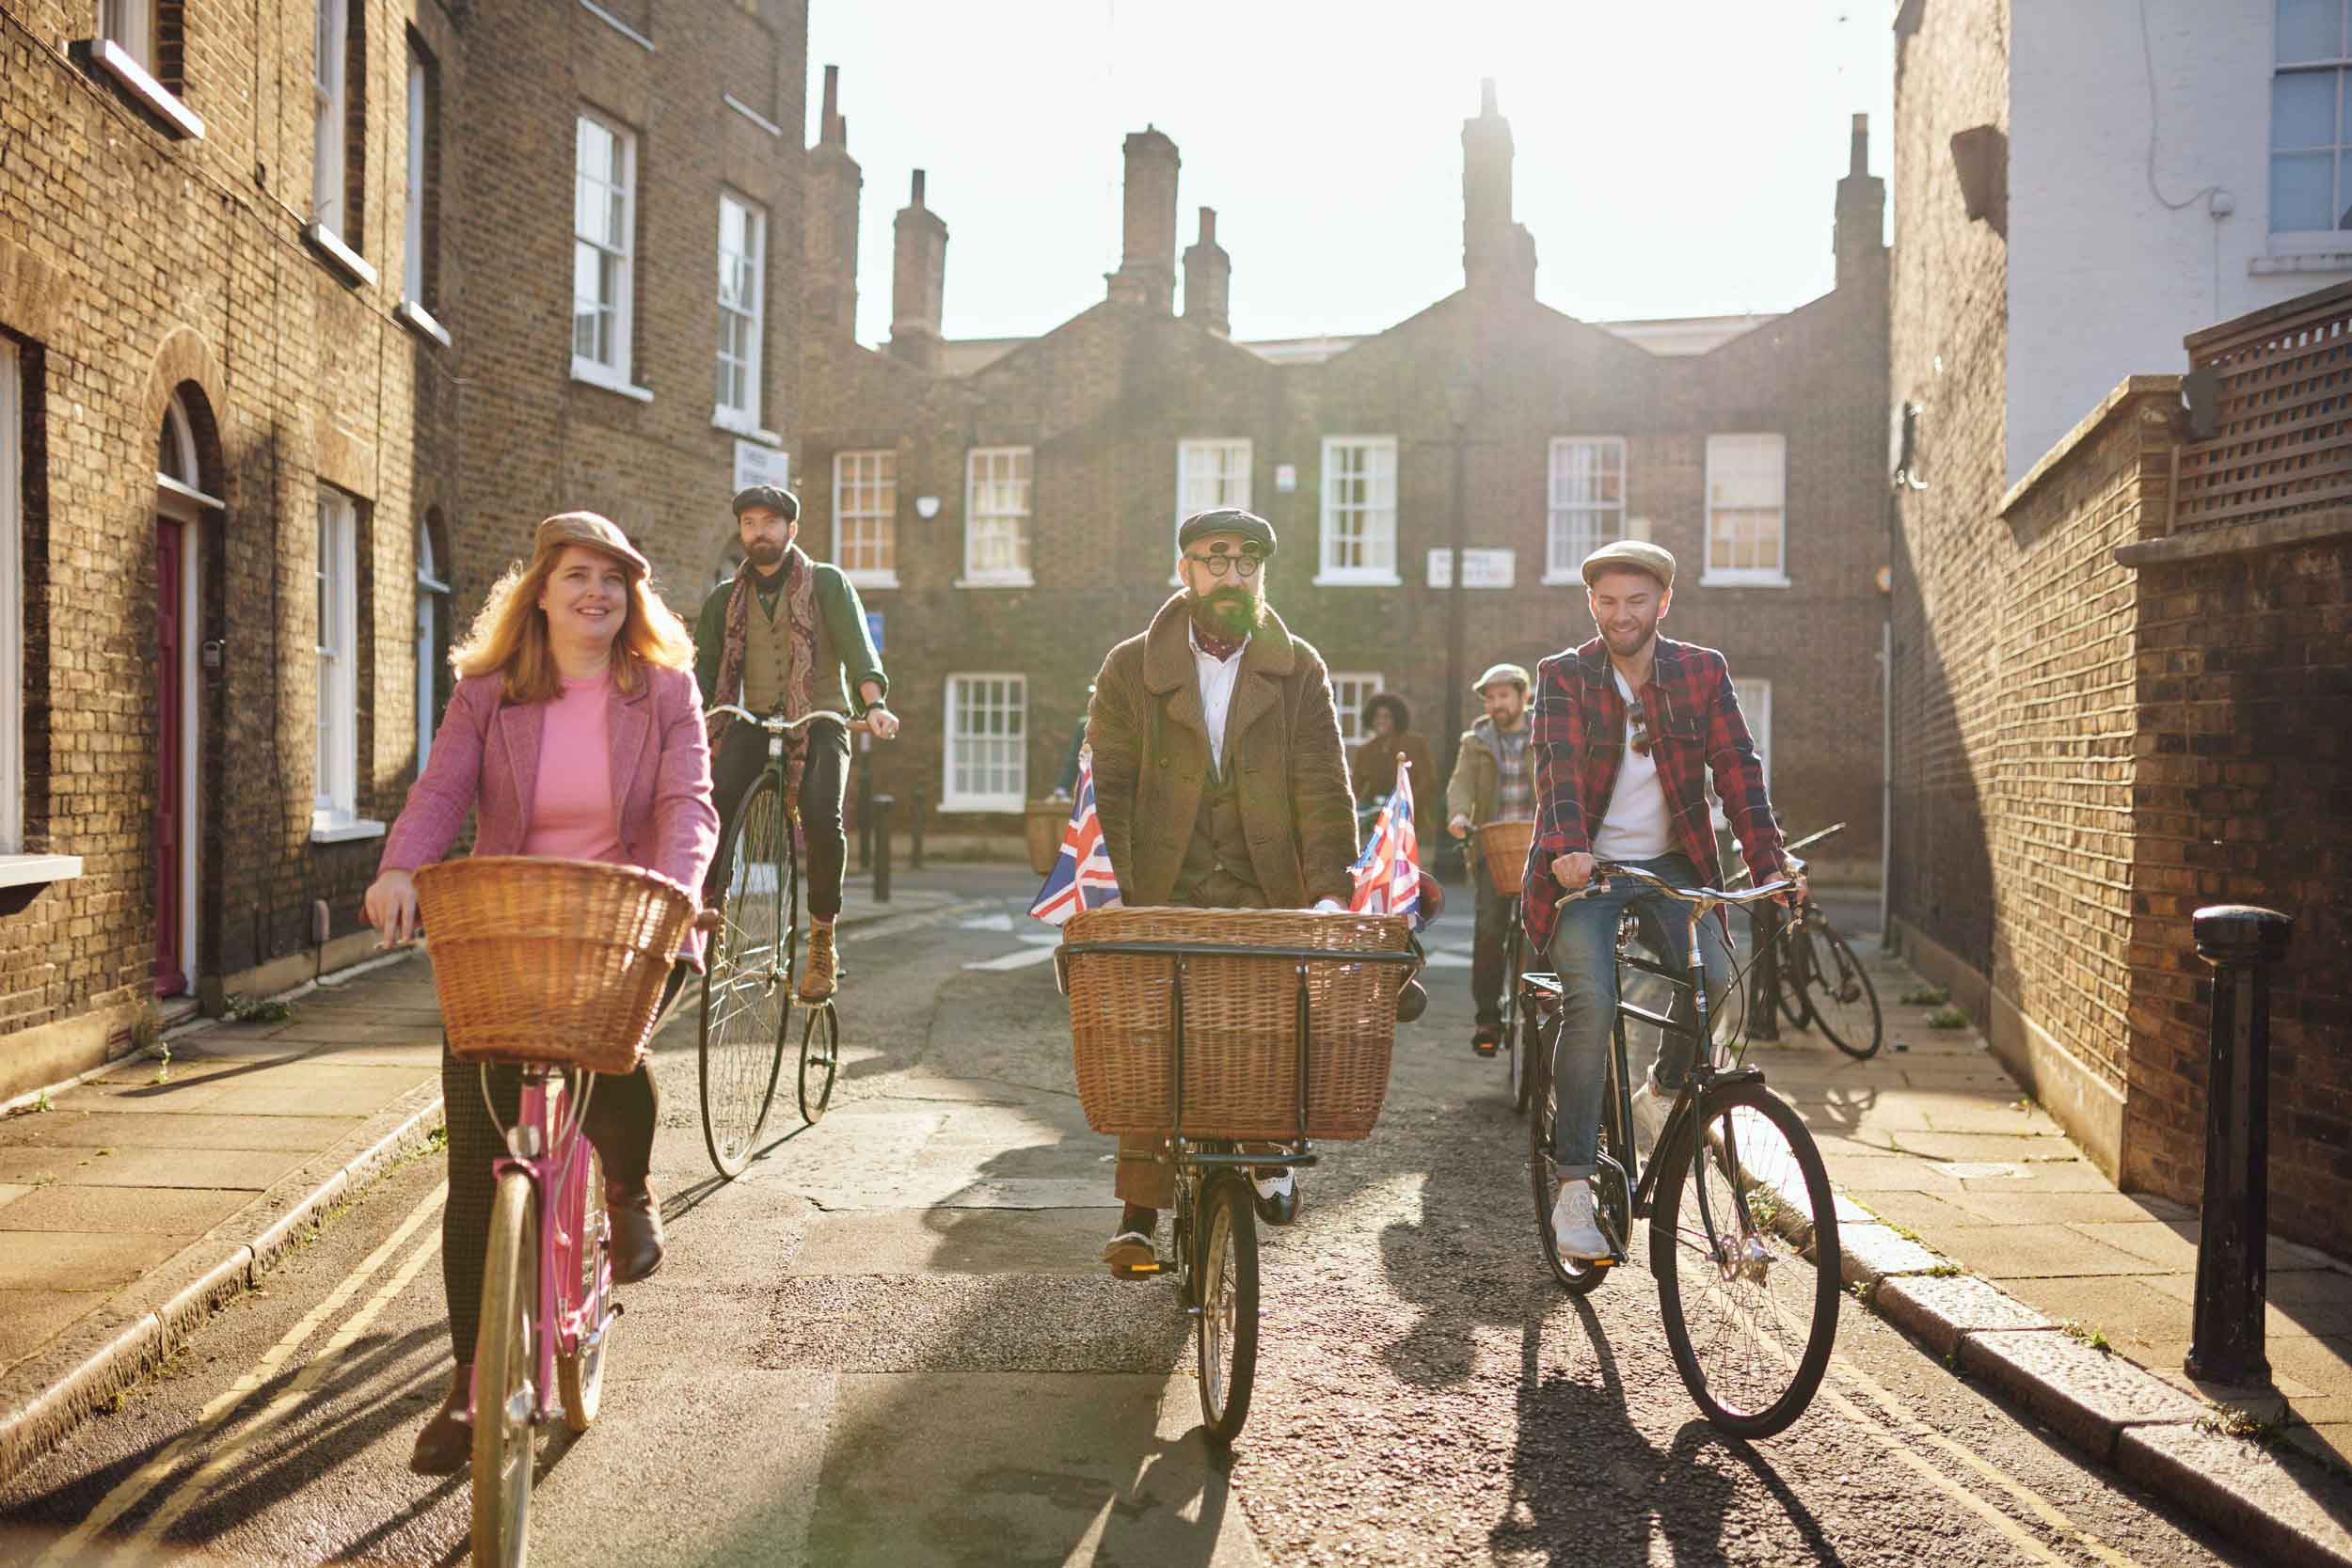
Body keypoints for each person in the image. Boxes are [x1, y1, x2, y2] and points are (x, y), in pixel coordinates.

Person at [363, 512, 721, 1475]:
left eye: (612, 578)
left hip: (623, 919)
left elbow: (688, 803)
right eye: (576, 576)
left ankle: (628, 1188)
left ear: (631, 597)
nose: (595, 592)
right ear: (543, 592)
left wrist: (677, 892)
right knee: (476, 1168)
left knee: (613, 1047)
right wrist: (401, 868)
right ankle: (469, 1385)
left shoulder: (666, 690)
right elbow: (443, 788)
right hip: (508, 927)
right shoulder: (490, 690)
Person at [1084, 507, 1358, 1274]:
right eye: (1216, 559)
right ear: (1186, 571)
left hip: (1265, 886)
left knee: (1266, 1021)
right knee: (1150, 1034)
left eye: (1248, 562)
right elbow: (1108, 787)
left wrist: (1330, 895)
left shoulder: (1300, 667)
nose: (1233, 575)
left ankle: (1267, 1150)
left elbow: (1324, 788)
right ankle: (1140, 1211)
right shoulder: (1128, 666)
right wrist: (1113, 899)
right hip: (1159, 884)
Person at [1522, 540, 1801, 1260]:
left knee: (1716, 978)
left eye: (1636, 601)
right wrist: (1567, 850)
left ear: (1664, 602)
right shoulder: (1564, 676)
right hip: (1586, 871)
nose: (1621, 614)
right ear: (1592, 604)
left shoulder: (1701, 672)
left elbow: (1738, 770)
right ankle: (1574, 1187)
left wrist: (1771, 861)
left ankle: (1663, 1091)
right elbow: (1556, 774)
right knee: (1592, 1003)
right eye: (1607, 601)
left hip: (1674, 866)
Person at [693, 485, 897, 1002]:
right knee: (716, 799)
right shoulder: (724, 599)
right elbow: (705, 673)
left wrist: (874, 705)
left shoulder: (826, 583)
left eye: (769, 523)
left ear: (792, 529)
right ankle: (710, 914)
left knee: (823, 815)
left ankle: (823, 940)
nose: (758, 532)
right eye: (749, 524)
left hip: (821, 716)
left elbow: (860, 652)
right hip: (754, 716)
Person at [1445, 661, 1534, 1057]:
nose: (1496, 704)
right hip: (1492, 847)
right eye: (1490, 698)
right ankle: (1487, 1017)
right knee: (1488, 931)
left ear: (1523, 696)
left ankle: (1543, 1001)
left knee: (1544, 932)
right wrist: (1458, 815)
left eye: (1503, 696)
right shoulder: (1475, 741)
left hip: (1538, 846)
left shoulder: (1546, 733)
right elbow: (1460, 784)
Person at [1350, 693, 1438, 830]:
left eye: (1387, 717)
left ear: (1396, 719)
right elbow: (1355, 787)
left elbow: (1428, 781)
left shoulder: (1415, 745)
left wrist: (1404, 803)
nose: (1381, 721)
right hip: (1376, 819)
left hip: (1411, 819)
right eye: (1377, 717)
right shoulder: (1365, 751)